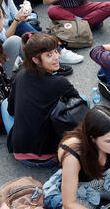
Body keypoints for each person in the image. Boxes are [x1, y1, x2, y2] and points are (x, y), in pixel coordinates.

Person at [6, 32, 82, 164]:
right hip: (47, 155)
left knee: (4, 103)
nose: (56, 57)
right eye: (49, 55)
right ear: (35, 60)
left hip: (18, 151)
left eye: (55, 52)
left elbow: (10, 110)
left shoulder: (20, 75)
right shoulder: (60, 82)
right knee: (83, 100)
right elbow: (78, 103)